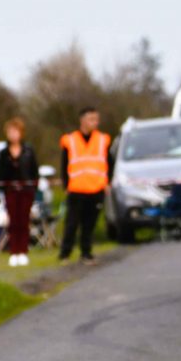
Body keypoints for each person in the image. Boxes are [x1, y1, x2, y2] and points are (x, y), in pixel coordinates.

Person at [59, 107, 112, 265]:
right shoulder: (70, 140)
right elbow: (64, 164)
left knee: (89, 224)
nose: (95, 122)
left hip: (96, 187)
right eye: (91, 119)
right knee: (71, 223)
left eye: (96, 119)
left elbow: (110, 162)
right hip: (76, 188)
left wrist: (107, 182)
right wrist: (65, 185)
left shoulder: (103, 139)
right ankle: (65, 253)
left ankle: (86, 253)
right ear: (82, 120)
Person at [0, 118, 39, 267]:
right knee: (13, 222)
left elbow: (34, 171)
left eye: (16, 131)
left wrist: (33, 189)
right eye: (10, 132)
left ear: (21, 133)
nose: (13, 135)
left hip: (26, 191)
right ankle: (14, 252)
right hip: (10, 191)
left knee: (24, 221)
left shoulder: (28, 151)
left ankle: (23, 251)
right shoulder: (3, 153)